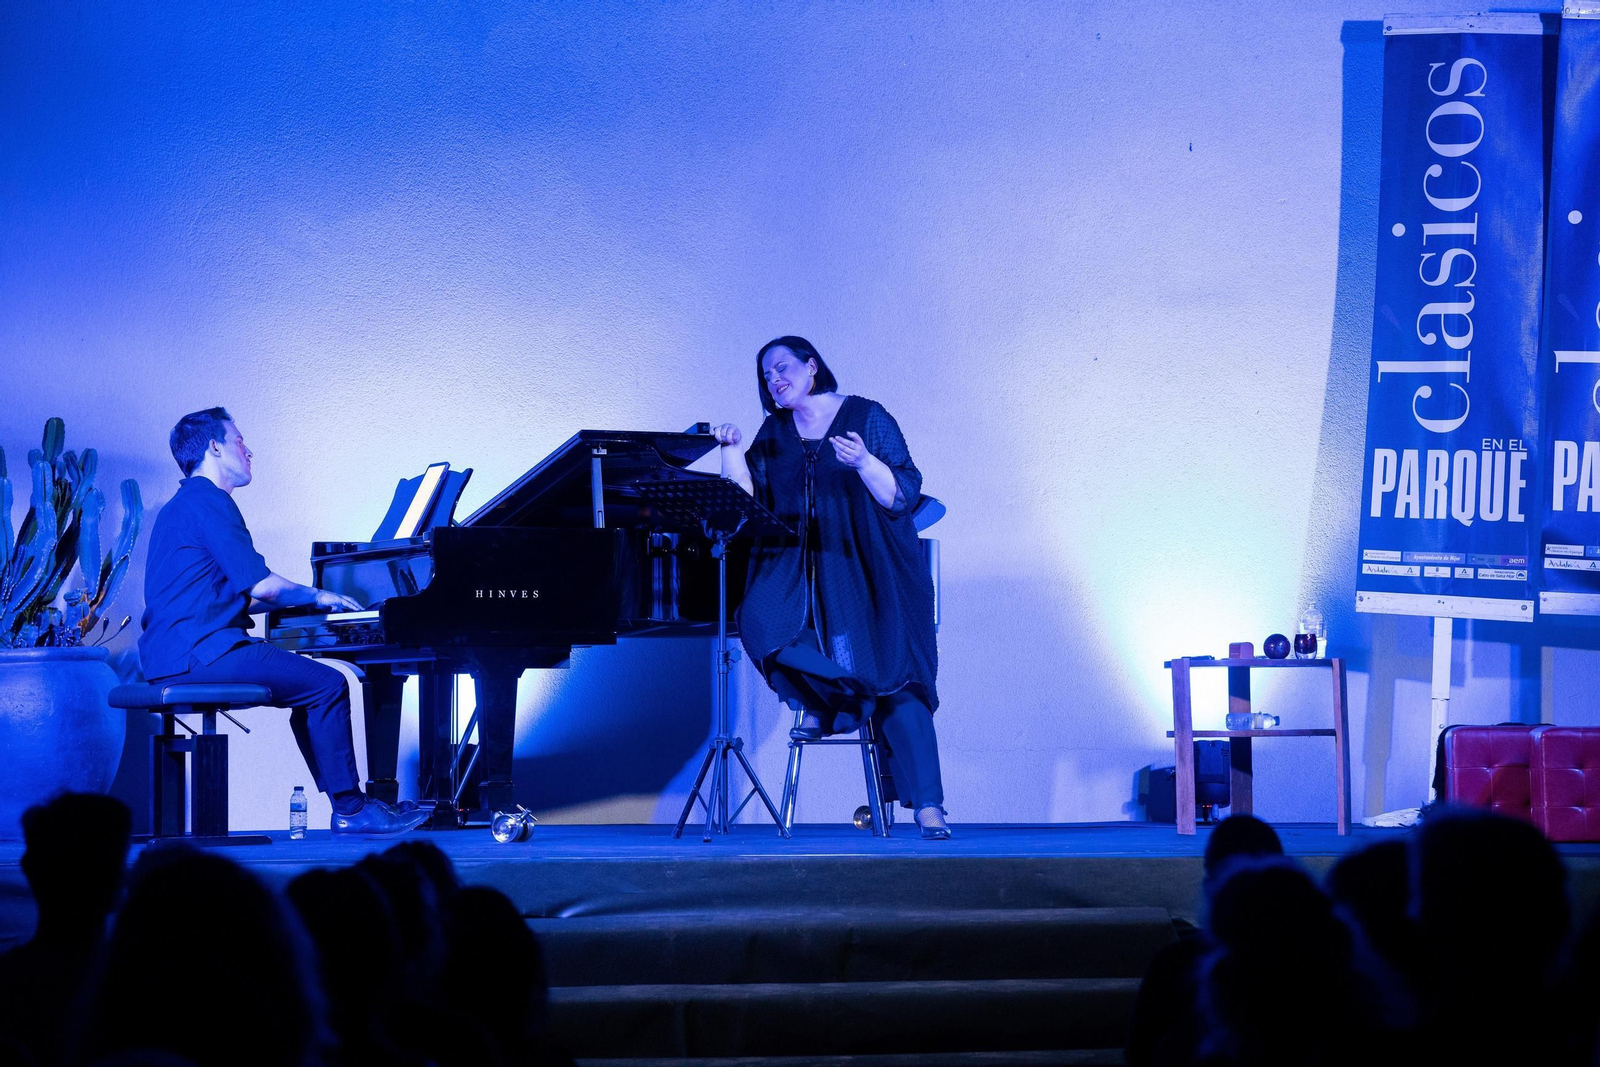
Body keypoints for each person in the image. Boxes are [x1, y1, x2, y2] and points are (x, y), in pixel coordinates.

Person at [138, 407, 428, 835]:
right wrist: (318, 595)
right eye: (239, 441)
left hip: (168, 654)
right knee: (327, 685)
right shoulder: (210, 500)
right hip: (204, 652)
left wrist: (300, 607)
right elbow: (263, 587)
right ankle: (351, 809)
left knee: (307, 688)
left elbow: (214, 596)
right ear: (214, 447)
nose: (249, 450)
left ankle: (351, 804)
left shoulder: (178, 506)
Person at [713, 336, 949, 839]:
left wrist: (864, 461)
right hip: (795, 565)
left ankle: (929, 808)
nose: (774, 379)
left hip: (869, 562)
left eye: (782, 367)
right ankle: (839, 698)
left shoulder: (867, 416)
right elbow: (744, 496)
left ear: (811, 367)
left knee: (897, 676)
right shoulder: (773, 432)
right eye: (766, 375)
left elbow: (900, 494)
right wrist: (732, 451)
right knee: (761, 622)